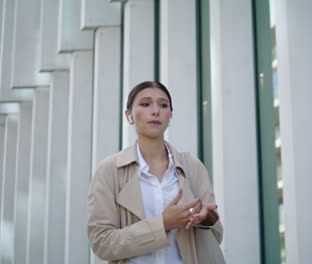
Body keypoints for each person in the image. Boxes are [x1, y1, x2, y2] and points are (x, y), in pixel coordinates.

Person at [88, 81, 223, 264]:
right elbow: (101, 243)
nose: (155, 111)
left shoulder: (192, 166)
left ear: (170, 115)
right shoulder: (109, 170)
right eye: (145, 104)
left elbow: (217, 236)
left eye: (163, 105)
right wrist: (162, 224)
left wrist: (206, 218)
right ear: (129, 116)